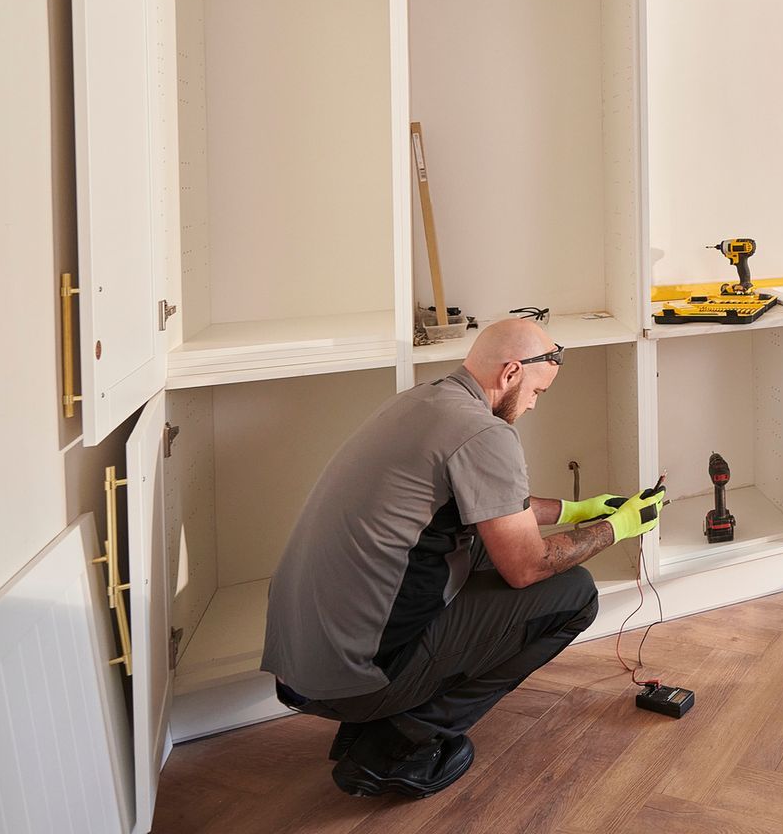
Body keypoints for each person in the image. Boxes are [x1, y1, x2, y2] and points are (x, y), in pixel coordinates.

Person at [261, 318, 666, 798]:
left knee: (477, 547)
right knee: (573, 594)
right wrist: (618, 528)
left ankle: (374, 722)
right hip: (352, 679)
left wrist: (578, 509)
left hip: (301, 663)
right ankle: (395, 748)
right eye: (537, 391)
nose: (534, 404)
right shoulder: (484, 432)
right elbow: (527, 566)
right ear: (511, 372)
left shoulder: (422, 401)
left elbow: (490, 504)